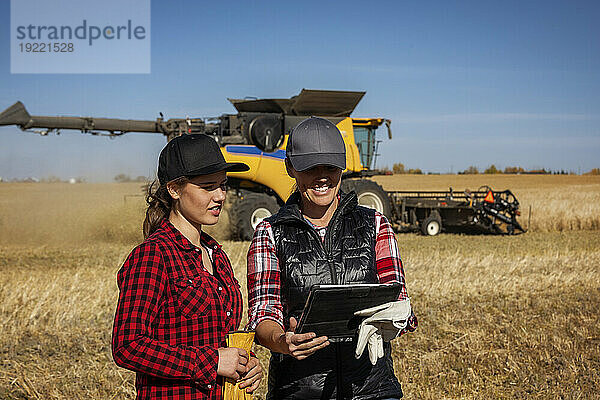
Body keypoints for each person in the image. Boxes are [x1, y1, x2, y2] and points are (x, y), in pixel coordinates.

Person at [247, 117, 417, 400]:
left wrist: (395, 319)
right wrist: (282, 341)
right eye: (311, 167)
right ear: (291, 168)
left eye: (330, 167)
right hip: (300, 390)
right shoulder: (270, 232)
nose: (322, 176)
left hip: (371, 389)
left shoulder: (375, 224)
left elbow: (398, 298)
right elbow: (264, 311)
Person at [112, 134, 262, 400]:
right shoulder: (153, 256)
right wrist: (211, 362)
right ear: (174, 189)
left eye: (223, 185)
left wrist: (246, 365)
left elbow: (218, 336)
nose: (220, 196)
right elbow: (128, 345)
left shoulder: (216, 254)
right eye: (207, 187)